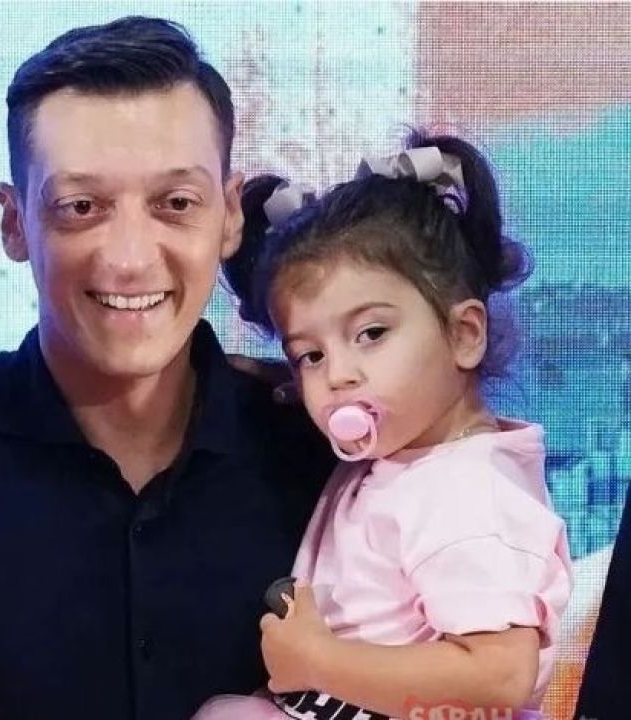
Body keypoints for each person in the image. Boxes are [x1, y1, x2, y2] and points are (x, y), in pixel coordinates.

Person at [0, 16, 333, 720]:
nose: (129, 257)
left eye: (175, 204)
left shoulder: (326, 452)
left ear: (228, 216)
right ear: (14, 223)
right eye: (82, 207)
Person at [194, 134, 572, 719]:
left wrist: (319, 661)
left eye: (371, 334)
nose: (338, 376)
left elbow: (499, 674)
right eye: (311, 355)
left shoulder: (468, 495)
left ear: (464, 334)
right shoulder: (410, 454)